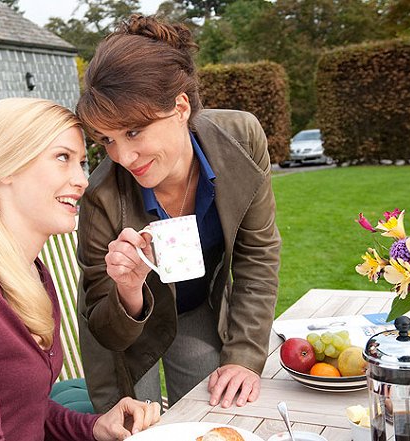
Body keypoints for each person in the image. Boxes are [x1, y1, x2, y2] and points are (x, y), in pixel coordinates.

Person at [0, 98, 160, 441]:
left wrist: (95, 425)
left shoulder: (31, 274)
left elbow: (25, 409)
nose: (81, 181)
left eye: (81, 162)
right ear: (6, 168)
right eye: (62, 158)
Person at [75, 15, 281, 413]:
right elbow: (103, 325)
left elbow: (259, 252)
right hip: (126, 331)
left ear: (180, 107)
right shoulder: (101, 196)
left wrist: (244, 355)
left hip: (197, 306)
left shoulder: (242, 138)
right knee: (142, 425)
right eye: (107, 140)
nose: (122, 156)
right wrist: (128, 290)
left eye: (133, 132)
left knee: (216, 410)